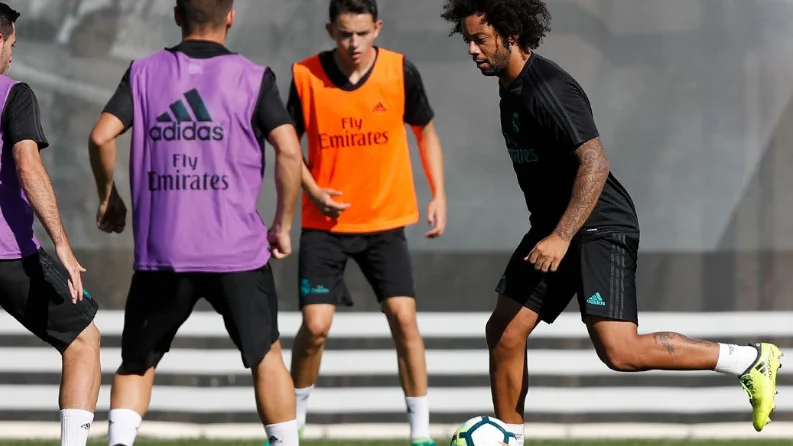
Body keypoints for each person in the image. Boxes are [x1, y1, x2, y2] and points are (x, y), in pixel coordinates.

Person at [439, 0, 781, 444]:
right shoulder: (511, 88)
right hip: (556, 226)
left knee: (619, 351)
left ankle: (747, 359)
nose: (471, 49)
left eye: (479, 39)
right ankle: (508, 437)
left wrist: (561, 237)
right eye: (466, 39)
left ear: (511, 35)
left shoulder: (547, 88)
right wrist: (556, 232)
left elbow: (595, 162)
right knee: (505, 329)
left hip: (598, 225)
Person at [86, 1, 303, 445]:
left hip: (163, 252)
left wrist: (109, 198)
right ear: (230, 16)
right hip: (237, 252)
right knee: (266, 356)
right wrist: (282, 223)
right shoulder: (253, 77)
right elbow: (289, 151)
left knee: (136, 364)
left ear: (176, 16)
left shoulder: (143, 72)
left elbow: (101, 135)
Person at [284, 1, 446, 444]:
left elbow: (425, 130)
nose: (353, 43)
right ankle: (291, 427)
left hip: (385, 222)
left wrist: (438, 194)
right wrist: (313, 190)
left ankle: (420, 435)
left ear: (376, 28)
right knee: (315, 328)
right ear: (329, 30)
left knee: (403, 318)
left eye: (361, 33)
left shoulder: (400, 71)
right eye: (343, 34)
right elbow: (286, 146)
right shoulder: (305, 75)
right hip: (324, 226)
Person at [0, 3, 102, 446]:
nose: (11, 57)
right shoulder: (13, 93)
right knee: (83, 339)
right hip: (10, 256)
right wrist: (61, 242)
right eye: (11, 46)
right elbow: (27, 164)